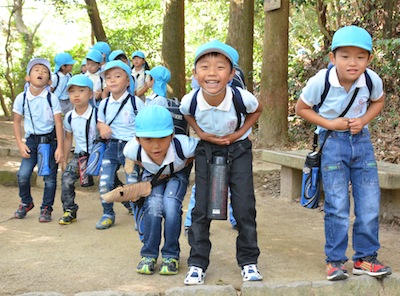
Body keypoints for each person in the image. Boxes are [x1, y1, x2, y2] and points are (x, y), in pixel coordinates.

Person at [295, 25, 392, 281]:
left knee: (369, 203)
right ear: (332, 57)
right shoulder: (321, 81)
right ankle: (335, 261)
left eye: (360, 57)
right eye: (345, 56)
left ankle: (365, 258)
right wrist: (330, 124)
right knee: (337, 205)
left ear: (369, 59)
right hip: (332, 144)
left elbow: (378, 101)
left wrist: (364, 119)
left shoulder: (371, 80)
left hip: (362, 144)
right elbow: (301, 108)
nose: (353, 63)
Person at [179, 40, 263, 284]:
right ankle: (197, 263)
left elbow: (257, 110)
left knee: (244, 204)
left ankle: (249, 261)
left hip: (238, 150)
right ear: (195, 74)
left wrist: (238, 134)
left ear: (231, 73)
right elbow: (187, 114)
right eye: (204, 67)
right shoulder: (190, 100)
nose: (212, 73)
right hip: (207, 150)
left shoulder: (241, 97)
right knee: (202, 207)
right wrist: (201, 134)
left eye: (220, 67)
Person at [123, 105, 198, 275]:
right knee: (154, 206)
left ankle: (171, 255)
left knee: (171, 206)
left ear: (171, 136)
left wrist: (186, 163)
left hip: (177, 174)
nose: (156, 146)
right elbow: (129, 161)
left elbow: (203, 148)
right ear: (137, 139)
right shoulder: (132, 149)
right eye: (148, 139)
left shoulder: (184, 145)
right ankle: (149, 254)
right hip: (152, 177)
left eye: (162, 138)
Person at [13, 58, 64, 222]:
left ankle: (46, 208)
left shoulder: (51, 98)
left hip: (49, 141)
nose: (40, 72)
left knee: (49, 178)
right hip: (31, 142)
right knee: (23, 175)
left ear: (49, 80)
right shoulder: (22, 98)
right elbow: (16, 121)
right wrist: (20, 144)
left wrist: (60, 148)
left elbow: (58, 123)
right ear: (28, 77)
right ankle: (26, 202)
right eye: (36, 70)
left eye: (44, 71)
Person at [95, 60, 145, 230]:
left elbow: (144, 126)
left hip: (131, 148)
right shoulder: (104, 104)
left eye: (118, 76)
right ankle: (107, 213)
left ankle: (139, 216)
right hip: (111, 147)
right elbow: (99, 122)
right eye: (108, 77)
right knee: (105, 181)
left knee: (132, 183)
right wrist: (102, 127)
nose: (113, 80)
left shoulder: (136, 102)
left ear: (127, 81)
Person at [59, 75, 98, 225]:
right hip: (79, 156)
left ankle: (129, 203)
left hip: (96, 155)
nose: (76, 94)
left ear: (90, 94)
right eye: (72, 91)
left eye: (81, 90)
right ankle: (69, 210)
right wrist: (64, 159)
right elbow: (68, 138)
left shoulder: (97, 114)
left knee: (110, 181)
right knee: (67, 178)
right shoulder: (69, 117)